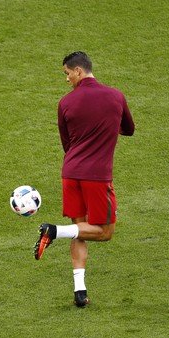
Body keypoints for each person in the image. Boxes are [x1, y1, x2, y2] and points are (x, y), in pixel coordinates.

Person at [34, 51, 135, 307]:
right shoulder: (115, 96)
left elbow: (66, 143)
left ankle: (80, 291)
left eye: (67, 74)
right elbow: (129, 129)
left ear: (78, 71)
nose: (66, 79)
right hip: (97, 176)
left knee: (79, 231)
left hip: (70, 173)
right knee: (104, 232)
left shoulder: (65, 103)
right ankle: (54, 231)